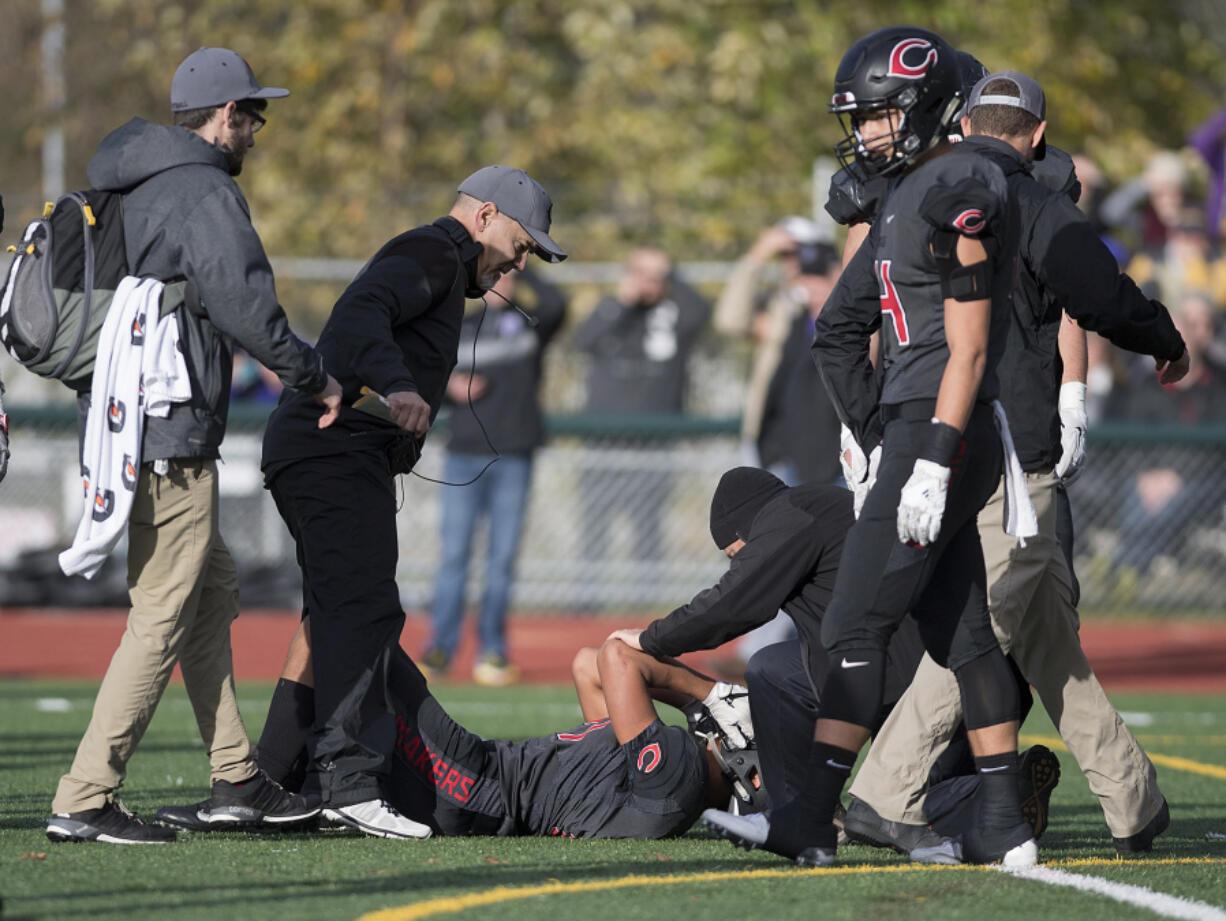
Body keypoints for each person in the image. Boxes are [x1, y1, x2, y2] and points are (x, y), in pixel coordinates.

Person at [703, 25, 1035, 868]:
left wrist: (923, 453)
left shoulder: (962, 181)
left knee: (850, 625)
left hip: (944, 425)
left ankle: (811, 819)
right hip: (922, 427)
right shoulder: (900, 197)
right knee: (964, 635)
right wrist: (872, 431)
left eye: (882, 116)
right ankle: (1001, 818)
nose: (867, 134)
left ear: (926, 109)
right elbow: (836, 330)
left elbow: (966, 345)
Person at [842, 71, 1187, 859]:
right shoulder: (1031, 199)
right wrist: (1166, 341)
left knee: (1046, 638)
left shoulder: (913, 193)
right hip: (1010, 453)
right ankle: (880, 793)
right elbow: (1100, 295)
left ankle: (1135, 801)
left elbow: (847, 319)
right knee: (982, 631)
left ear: (963, 125)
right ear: (1036, 135)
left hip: (934, 436)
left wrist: (869, 427)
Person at [46, 47, 343, 845]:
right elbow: (245, 303)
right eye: (252, 115)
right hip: (170, 430)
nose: (255, 129)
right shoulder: (202, 188)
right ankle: (85, 794)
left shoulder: (131, 179)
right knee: (163, 612)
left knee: (208, 593)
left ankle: (236, 776)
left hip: (127, 420)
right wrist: (315, 378)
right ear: (222, 117)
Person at [256, 165, 566, 839]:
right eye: (522, 239)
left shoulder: (448, 268)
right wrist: (400, 385)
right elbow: (365, 311)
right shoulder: (430, 252)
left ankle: (269, 781)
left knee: (330, 615)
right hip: (334, 449)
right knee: (366, 611)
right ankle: (348, 784)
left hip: (322, 451)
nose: (524, 256)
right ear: (484, 216)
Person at [161, 620, 757, 839]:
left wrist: (705, 695)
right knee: (333, 620)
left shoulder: (673, 771)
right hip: (472, 788)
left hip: (474, 786)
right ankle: (273, 783)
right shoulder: (650, 777)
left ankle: (260, 779)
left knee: (348, 617)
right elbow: (588, 666)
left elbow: (618, 657)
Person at [422, 267, 568, 686]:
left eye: (507, 276)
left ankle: (493, 652)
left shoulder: (530, 326)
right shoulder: (459, 329)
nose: (500, 281)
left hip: (513, 457)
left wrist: (525, 265)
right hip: (463, 457)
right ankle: (439, 648)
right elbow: (422, 368)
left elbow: (559, 305)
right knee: (453, 557)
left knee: (500, 562)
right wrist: (449, 384)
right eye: (494, 274)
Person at [572, 248, 712, 578]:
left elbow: (703, 311)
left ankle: (645, 596)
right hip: (603, 441)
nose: (649, 283)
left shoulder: (676, 314)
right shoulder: (611, 311)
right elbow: (583, 341)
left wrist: (671, 274)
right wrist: (622, 301)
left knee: (648, 522)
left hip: (654, 440)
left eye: (656, 276)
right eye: (642, 274)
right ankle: (585, 600)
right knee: (595, 521)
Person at [713, 215, 826, 472]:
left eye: (794, 253)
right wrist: (756, 257)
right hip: (770, 430)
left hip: (816, 433)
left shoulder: (826, 298)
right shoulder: (777, 301)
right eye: (782, 255)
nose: (789, 262)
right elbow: (729, 320)